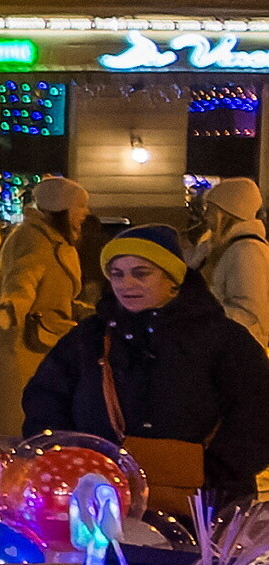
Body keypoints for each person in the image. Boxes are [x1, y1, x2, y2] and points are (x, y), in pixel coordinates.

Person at [21, 224, 269, 520]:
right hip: (103, 495)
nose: (127, 284)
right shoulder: (88, 337)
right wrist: (67, 458)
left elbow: (257, 410)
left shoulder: (223, 339)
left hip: (205, 502)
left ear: (172, 279)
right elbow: (46, 399)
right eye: (117, 274)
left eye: (141, 273)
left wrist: (216, 470)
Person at [0, 177, 89, 439]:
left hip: (45, 337)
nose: (85, 213)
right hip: (23, 341)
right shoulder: (33, 238)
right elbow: (23, 278)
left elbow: (51, 289)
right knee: (17, 413)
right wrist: (11, 309)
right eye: (80, 206)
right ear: (61, 208)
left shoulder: (55, 239)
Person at [195, 178, 269, 354]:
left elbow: (251, 313)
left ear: (225, 213)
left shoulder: (247, 250)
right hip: (219, 344)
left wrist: (200, 314)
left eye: (210, 209)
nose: (205, 215)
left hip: (236, 350)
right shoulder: (217, 247)